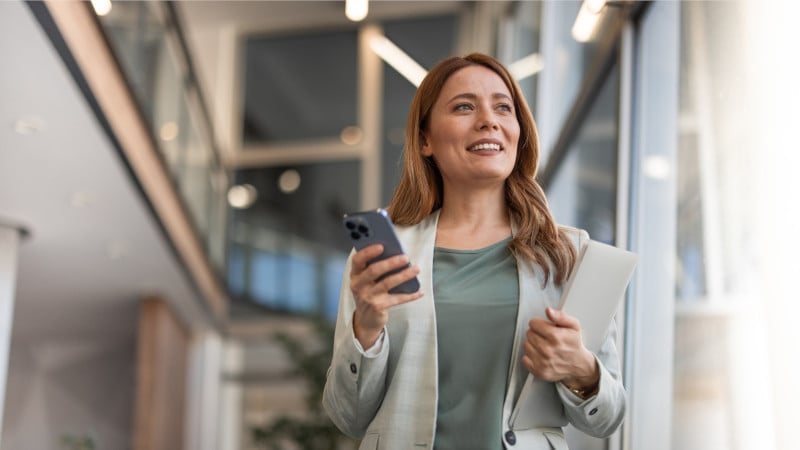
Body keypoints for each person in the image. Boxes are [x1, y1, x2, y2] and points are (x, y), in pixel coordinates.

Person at [322, 53, 626, 450]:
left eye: (503, 107)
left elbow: (610, 417)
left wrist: (583, 372)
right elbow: (348, 417)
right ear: (425, 139)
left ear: (519, 131)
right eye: (464, 106)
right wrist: (366, 328)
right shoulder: (382, 258)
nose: (489, 119)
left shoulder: (568, 253)